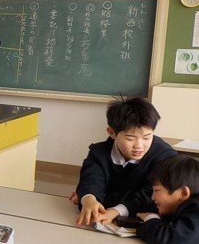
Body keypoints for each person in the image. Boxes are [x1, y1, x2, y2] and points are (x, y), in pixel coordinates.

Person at [75, 97, 176, 226]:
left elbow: (150, 197)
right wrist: (89, 198)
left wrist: (115, 209)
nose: (139, 146)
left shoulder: (165, 157)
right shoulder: (98, 152)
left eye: (146, 137)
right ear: (112, 132)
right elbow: (91, 180)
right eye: (130, 138)